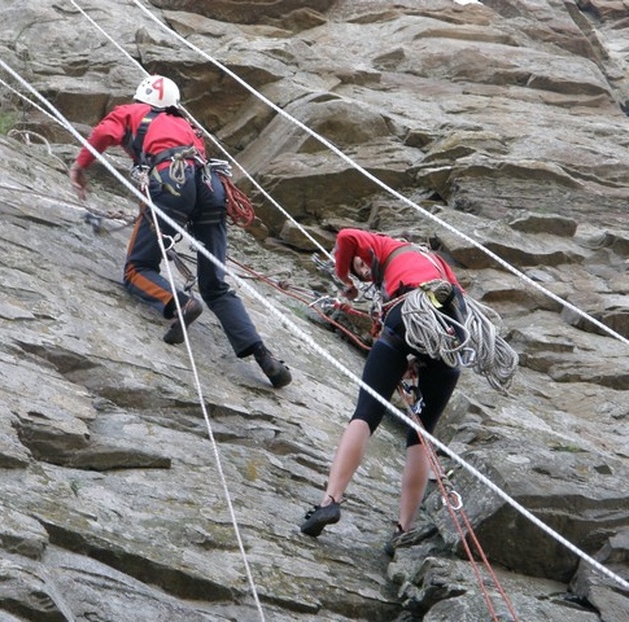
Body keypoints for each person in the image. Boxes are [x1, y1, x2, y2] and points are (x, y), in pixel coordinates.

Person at [69, 75, 292, 388]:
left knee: (137, 268)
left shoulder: (130, 112)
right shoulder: (186, 126)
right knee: (215, 286)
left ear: (142, 99)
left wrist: (79, 166)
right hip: (210, 187)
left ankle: (181, 303)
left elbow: (106, 132)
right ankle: (265, 358)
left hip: (170, 181)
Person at [299, 228, 467, 553]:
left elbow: (347, 236)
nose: (362, 271)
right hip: (449, 336)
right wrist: (418, 357)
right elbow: (456, 301)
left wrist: (344, 278)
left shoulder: (385, 245)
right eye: (358, 272)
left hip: (408, 315)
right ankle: (402, 530)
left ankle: (329, 501)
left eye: (360, 266)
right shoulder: (436, 264)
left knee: (366, 413)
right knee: (421, 434)